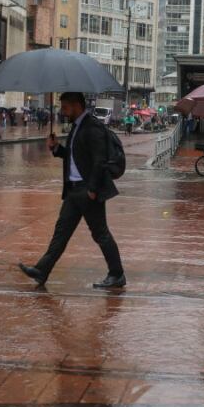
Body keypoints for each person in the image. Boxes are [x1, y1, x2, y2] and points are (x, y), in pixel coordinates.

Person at [19, 92, 126, 288]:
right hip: (73, 191)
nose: (63, 111)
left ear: (77, 106)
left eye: (66, 107)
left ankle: (117, 274)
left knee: (100, 233)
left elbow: (99, 160)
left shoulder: (92, 127)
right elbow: (75, 157)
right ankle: (42, 270)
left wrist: (93, 189)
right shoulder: (77, 127)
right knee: (61, 233)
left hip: (87, 191)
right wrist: (56, 149)